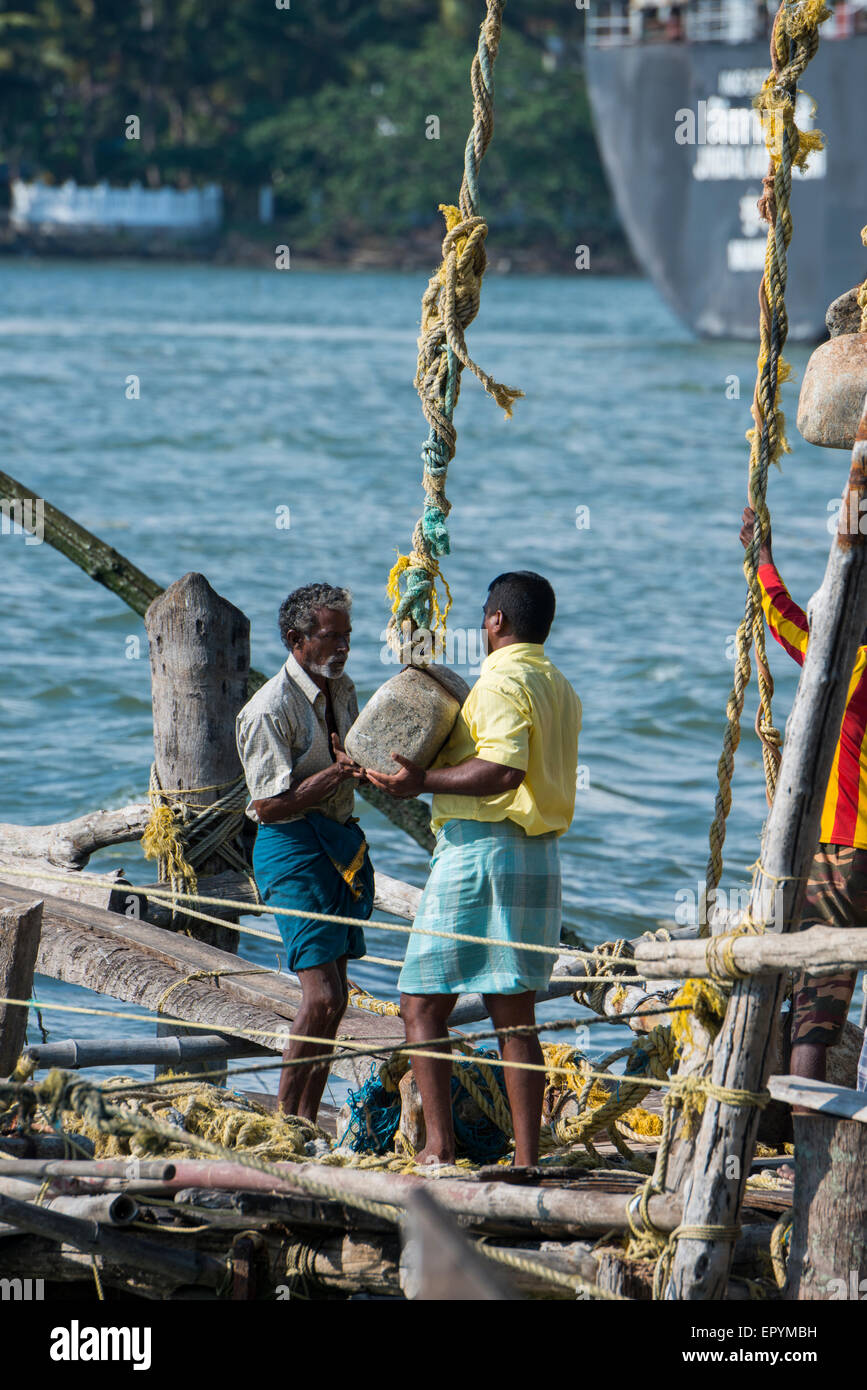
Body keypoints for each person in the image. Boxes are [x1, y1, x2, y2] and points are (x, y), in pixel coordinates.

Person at [367, 571, 581, 1167]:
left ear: (497, 622)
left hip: (483, 851)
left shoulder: (499, 681)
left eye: (485, 614)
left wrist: (420, 781)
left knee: (420, 1003)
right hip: (538, 857)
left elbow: (503, 770)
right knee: (513, 1012)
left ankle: (439, 1147)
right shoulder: (558, 684)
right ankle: (527, 1161)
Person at [741, 505, 867, 1094]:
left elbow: (785, 621)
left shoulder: (850, 666)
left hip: (844, 853)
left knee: (816, 1010)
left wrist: (762, 559)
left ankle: (811, 1152)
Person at [236, 582, 372, 1122]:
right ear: (296, 639)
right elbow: (268, 807)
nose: (342, 647)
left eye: (347, 636)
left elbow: (353, 757)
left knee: (336, 1000)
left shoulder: (344, 690)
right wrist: (340, 770)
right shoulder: (268, 709)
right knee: (318, 997)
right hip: (290, 847)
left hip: (337, 845)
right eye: (330, 637)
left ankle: (306, 1120)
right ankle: (285, 1124)